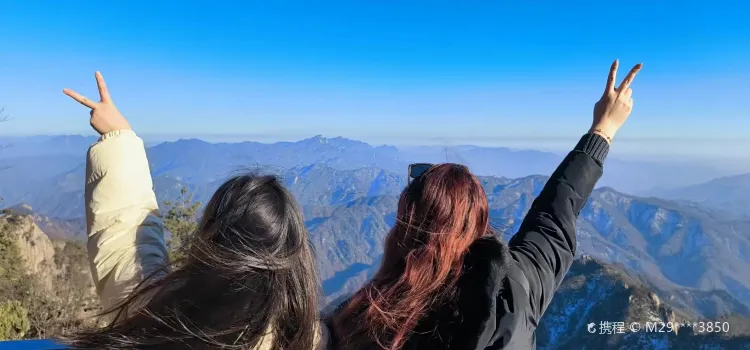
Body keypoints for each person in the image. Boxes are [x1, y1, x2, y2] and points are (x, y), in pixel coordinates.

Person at [326, 59, 643, 350]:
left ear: (403, 233)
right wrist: (603, 129)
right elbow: (557, 209)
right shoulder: (518, 292)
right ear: (478, 222)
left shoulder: (365, 326)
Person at [57, 72, 329, 349]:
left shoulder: (156, 317)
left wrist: (118, 137)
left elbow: (123, 237)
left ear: (210, 239)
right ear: (295, 256)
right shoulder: (307, 341)